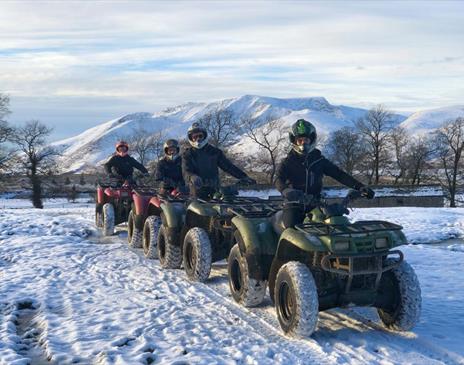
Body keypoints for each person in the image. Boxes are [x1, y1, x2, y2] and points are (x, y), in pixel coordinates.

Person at [275, 119, 374, 226]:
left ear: (311, 140)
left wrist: (360, 187)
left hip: (317, 204)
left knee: (331, 227)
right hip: (294, 205)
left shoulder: (319, 161)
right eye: (300, 140)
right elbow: (278, 179)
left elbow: (339, 175)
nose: (303, 143)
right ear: (294, 141)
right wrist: (286, 190)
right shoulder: (287, 162)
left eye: (306, 140)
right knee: (292, 229)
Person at [182, 122, 256, 198]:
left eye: (200, 136)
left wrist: (243, 176)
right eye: (195, 137)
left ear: (204, 136)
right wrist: (192, 176)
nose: (198, 139)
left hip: (215, 190)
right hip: (196, 192)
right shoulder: (187, 154)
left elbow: (228, 166)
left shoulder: (214, 152)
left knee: (224, 207)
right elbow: (186, 171)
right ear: (191, 138)